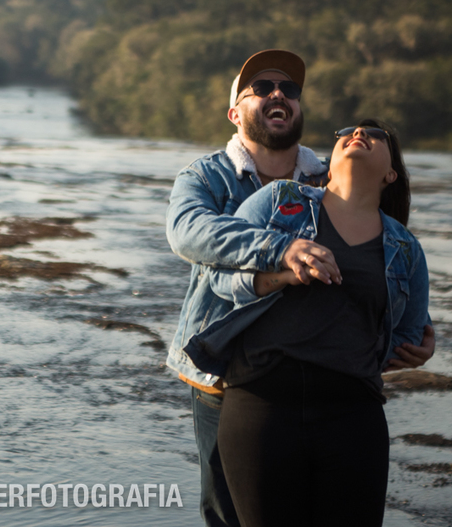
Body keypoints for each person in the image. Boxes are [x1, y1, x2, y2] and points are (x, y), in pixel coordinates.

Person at [165, 49, 434, 527]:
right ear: (235, 113)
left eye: (288, 90)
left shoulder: (328, 176)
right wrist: (280, 253)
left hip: (337, 391)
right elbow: (189, 233)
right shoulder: (209, 176)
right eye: (262, 89)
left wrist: (416, 332)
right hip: (229, 374)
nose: (278, 95)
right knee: (228, 513)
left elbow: (380, 270)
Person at [209, 120, 430, 527]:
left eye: (375, 135)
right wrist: (284, 274)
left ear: (390, 174)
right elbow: (218, 277)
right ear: (329, 165)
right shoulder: (278, 200)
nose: (358, 133)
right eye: (348, 131)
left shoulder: (405, 247)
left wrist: (415, 348)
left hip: (353, 417)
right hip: (262, 407)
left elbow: (409, 332)